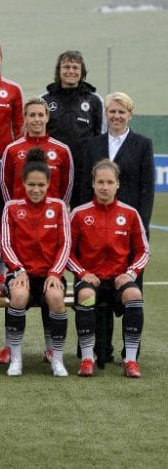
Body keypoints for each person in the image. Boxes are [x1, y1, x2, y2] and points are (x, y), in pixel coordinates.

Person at [80, 91, 154, 365]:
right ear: (106, 114)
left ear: (130, 115)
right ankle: (101, 350)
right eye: (112, 111)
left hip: (128, 229)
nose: (117, 116)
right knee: (98, 284)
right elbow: (83, 187)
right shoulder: (93, 144)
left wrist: (142, 225)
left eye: (122, 111)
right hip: (96, 226)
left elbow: (147, 189)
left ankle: (130, 352)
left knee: (130, 288)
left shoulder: (142, 144)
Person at [68, 159, 149, 378]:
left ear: (117, 184)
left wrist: (130, 273)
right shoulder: (78, 214)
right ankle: (87, 358)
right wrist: (82, 273)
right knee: (85, 295)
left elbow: (143, 251)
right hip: (90, 280)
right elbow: (67, 252)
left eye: (109, 182)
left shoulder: (130, 214)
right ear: (93, 184)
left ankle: (130, 360)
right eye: (100, 182)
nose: (105, 187)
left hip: (118, 281)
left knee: (133, 294)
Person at [0, 148, 71, 377]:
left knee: (56, 298)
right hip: (21, 273)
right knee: (19, 295)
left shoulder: (59, 207)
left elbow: (65, 244)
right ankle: (16, 358)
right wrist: (18, 270)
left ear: (48, 184)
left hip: (50, 273)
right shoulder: (11, 208)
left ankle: (56, 358)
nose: (36, 190)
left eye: (41, 185)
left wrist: (55, 273)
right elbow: (5, 244)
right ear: (23, 183)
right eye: (31, 185)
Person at [41, 50, 105, 207]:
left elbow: (101, 137)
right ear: (59, 70)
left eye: (75, 67)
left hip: (84, 170)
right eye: (66, 67)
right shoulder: (45, 99)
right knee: (52, 212)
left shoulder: (95, 100)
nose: (71, 71)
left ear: (82, 71)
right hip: (52, 168)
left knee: (81, 214)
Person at [1, 96, 73, 203]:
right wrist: (14, 208)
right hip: (21, 215)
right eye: (32, 115)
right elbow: (5, 185)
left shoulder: (62, 150)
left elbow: (66, 187)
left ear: (47, 117)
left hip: (50, 214)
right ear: (25, 118)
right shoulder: (12, 149)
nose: (37, 119)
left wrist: (57, 209)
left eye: (40, 115)